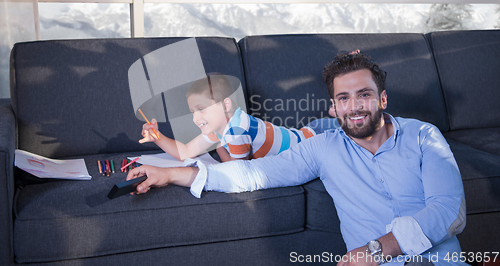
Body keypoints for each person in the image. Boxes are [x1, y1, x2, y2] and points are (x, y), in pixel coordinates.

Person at [128, 51, 466, 266]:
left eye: (364, 94)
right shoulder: (323, 148)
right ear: (334, 106)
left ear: (383, 98)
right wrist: (172, 175)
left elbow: (450, 211)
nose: (355, 106)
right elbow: (251, 174)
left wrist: (378, 250)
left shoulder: (424, 136)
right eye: (344, 98)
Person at [140, 72, 336, 162]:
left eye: (201, 109)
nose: (195, 118)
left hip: (316, 140)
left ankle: (339, 110)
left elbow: (238, 169)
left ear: (226, 105)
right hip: (311, 132)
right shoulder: (221, 126)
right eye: (192, 111)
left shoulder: (236, 130)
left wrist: (218, 147)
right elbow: (185, 152)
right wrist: (157, 137)